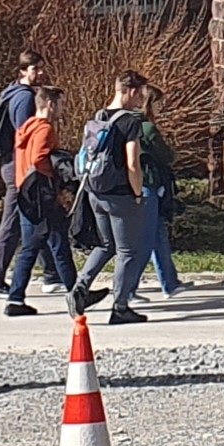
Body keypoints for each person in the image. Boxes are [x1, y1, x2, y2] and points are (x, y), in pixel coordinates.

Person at [67, 73, 151, 326]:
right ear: (129, 91)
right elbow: (132, 163)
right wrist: (137, 193)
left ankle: (79, 289)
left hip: (96, 192)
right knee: (127, 250)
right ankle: (121, 306)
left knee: (105, 245)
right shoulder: (130, 123)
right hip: (120, 195)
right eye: (140, 94)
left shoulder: (99, 116)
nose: (141, 100)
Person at [0, 51, 47, 300]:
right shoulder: (24, 99)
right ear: (22, 71)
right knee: (12, 223)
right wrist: (29, 170)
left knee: (36, 219)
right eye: (34, 69)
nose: (39, 73)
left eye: (40, 68)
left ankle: (52, 274)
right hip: (18, 166)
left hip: (15, 165)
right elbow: (24, 137)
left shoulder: (12, 92)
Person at [0, 85, 74, 316]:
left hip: (26, 193)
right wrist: (54, 180)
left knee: (32, 247)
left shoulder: (26, 128)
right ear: (50, 104)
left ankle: (15, 298)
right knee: (58, 244)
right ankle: (77, 293)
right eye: (60, 103)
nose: (62, 108)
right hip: (41, 195)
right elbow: (39, 158)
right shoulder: (44, 129)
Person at [124, 87, 184, 305]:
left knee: (158, 235)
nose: (161, 108)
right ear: (151, 103)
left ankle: (170, 282)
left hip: (144, 186)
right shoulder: (146, 128)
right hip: (147, 185)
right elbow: (166, 155)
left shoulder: (130, 124)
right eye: (159, 103)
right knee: (146, 241)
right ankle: (128, 290)